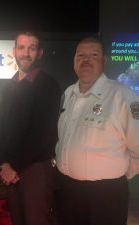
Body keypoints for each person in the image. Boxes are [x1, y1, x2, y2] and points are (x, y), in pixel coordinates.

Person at [55, 36, 139, 225]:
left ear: (104, 60)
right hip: (68, 190)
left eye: (94, 54)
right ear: (74, 60)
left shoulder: (122, 96)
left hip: (105, 196)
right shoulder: (68, 93)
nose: (86, 60)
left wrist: (121, 173)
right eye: (80, 55)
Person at [0, 31, 62, 225]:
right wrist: (3, 162)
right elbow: (2, 127)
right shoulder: (10, 86)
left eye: (32, 48)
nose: (26, 53)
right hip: (13, 169)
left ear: (40, 53)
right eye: (21, 47)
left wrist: (12, 165)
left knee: (36, 220)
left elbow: (42, 134)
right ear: (14, 51)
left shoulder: (48, 85)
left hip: (35, 170)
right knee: (18, 220)